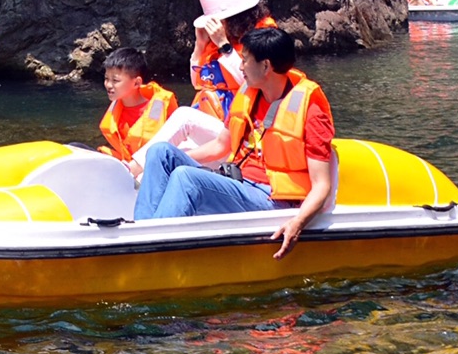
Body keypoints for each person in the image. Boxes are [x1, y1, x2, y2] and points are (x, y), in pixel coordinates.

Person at [132, 27, 336, 258]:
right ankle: (141, 233)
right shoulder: (250, 94)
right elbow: (221, 146)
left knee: (186, 178)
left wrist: (297, 223)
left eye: (245, 60)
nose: (240, 67)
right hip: (239, 182)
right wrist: (177, 160)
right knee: (161, 153)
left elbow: (322, 185)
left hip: (274, 198)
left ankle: (149, 253)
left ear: (266, 66)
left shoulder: (311, 110)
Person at [189, 0, 276, 124]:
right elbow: (197, 83)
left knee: (183, 117)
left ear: (235, 18)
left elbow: (254, 81)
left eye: (219, 21)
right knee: (184, 118)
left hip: (246, 120)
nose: (214, 28)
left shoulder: (264, 36)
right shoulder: (214, 43)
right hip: (217, 117)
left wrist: (224, 45)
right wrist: (200, 45)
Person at [97, 48, 178, 165]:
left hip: (153, 167)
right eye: (106, 79)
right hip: (126, 163)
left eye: (115, 80)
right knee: (75, 148)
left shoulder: (159, 108)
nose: (108, 85)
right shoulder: (116, 105)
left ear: (136, 83)